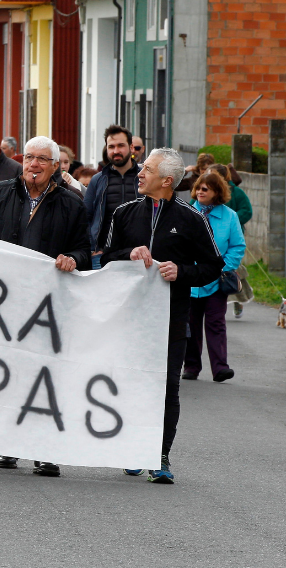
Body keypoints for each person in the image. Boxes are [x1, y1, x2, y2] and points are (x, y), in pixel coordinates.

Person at [102, 148, 223, 484]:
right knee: (129, 384)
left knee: (167, 388)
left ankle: (159, 455)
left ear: (167, 180)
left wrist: (181, 271)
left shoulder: (191, 219)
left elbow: (214, 266)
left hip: (172, 320)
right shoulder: (124, 213)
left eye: (148, 168)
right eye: (142, 167)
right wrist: (129, 252)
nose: (140, 173)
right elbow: (105, 256)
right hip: (129, 319)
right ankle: (131, 447)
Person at [0, 136, 91, 478]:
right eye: (29, 158)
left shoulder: (72, 204)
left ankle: (44, 450)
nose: (34, 165)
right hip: (4, 303)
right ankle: (8, 444)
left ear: (56, 166)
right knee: (8, 374)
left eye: (42, 159)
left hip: (48, 307)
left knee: (46, 378)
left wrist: (73, 258)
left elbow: (86, 250)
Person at [183, 172, 245, 383]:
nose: (199, 191)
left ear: (217, 192)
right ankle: (191, 367)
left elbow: (237, 246)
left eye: (205, 189)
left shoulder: (230, 216)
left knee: (216, 323)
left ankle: (220, 368)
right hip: (191, 280)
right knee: (190, 324)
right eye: (198, 188)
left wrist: (222, 269)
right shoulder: (187, 212)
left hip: (217, 281)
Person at [84, 125, 139, 269]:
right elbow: (85, 218)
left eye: (121, 145)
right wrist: (92, 248)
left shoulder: (145, 177)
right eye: (111, 146)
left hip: (139, 256)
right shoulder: (97, 180)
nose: (116, 151)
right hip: (102, 256)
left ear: (131, 147)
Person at [211, 164, 253, 318]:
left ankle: (238, 300)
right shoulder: (207, 193)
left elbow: (246, 211)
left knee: (233, 270)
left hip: (232, 239)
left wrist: (230, 221)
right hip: (211, 239)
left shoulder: (237, 193)